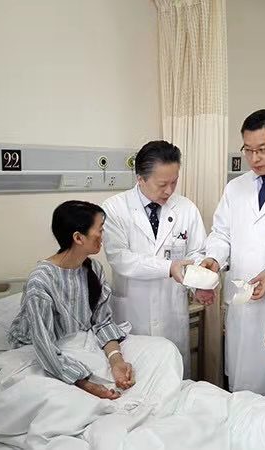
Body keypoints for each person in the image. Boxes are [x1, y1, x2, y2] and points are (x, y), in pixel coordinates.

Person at [199, 110, 265, 399]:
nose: (254, 158)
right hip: (241, 302)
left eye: (262, 149)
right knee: (241, 385)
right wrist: (214, 259)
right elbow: (221, 234)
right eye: (248, 150)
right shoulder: (235, 188)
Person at [8, 200, 134, 399]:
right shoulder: (41, 281)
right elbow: (44, 344)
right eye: (100, 229)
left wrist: (116, 361)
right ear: (78, 237)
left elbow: (102, 322)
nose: (103, 235)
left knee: (164, 350)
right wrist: (86, 384)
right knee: (64, 402)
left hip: (78, 344)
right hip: (40, 352)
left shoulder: (93, 269)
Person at [102, 141, 206, 377]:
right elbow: (120, 259)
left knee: (174, 379)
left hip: (172, 314)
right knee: (137, 382)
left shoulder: (186, 208)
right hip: (133, 316)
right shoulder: (115, 208)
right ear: (140, 179)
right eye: (162, 184)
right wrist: (169, 267)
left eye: (174, 182)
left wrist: (199, 283)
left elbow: (197, 253)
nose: (169, 191)